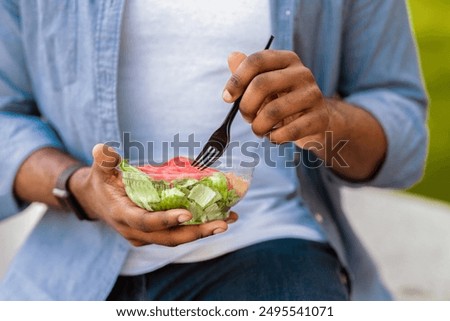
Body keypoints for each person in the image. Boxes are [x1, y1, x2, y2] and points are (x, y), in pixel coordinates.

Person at [0, 0, 427, 300]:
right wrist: (78, 187)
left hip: (267, 244)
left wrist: (326, 121)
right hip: (74, 265)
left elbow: (404, 133)